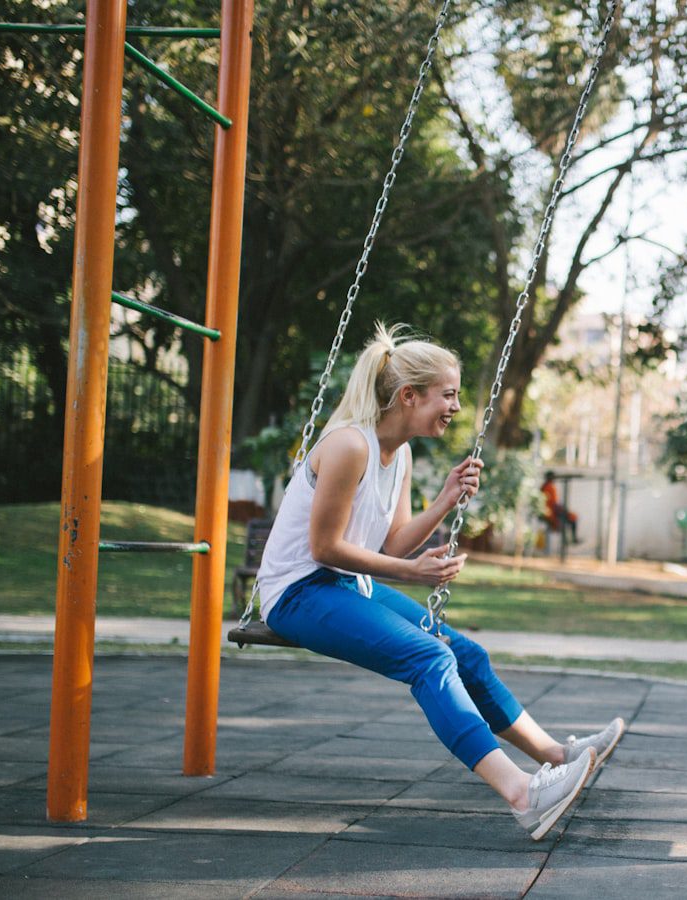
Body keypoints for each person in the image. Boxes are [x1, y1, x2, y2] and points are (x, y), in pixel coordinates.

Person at [255, 324, 625, 840]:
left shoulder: (399, 453)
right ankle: (522, 794)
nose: (454, 406)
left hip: (343, 587)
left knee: (465, 653)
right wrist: (411, 573)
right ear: (409, 396)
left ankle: (557, 755)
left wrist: (446, 498)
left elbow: (394, 544)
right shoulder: (347, 446)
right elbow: (325, 549)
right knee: (429, 657)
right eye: (447, 394)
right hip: (298, 592)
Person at [541, 471, 579, 544]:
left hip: (553, 510)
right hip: (551, 512)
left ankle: (571, 539)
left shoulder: (548, 486)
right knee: (565, 521)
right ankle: (569, 540)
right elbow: (551, 503)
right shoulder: (547, 487)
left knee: (572, 518)